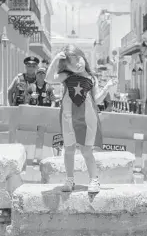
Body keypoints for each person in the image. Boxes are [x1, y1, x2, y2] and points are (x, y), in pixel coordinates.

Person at [45, 44, 118, 193]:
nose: (76, 64)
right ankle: (70, 180)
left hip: (87, 118)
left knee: (87, 151)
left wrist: (107, 87)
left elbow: (96, 100)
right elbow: (48, 78)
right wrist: (56, 59)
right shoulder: (66, 76)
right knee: (69, 150)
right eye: (70, 63)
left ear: (83, 57)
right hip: (68, 117)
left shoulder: (92, 78)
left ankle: (94, 180)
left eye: (77, 59)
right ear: (67, 67)